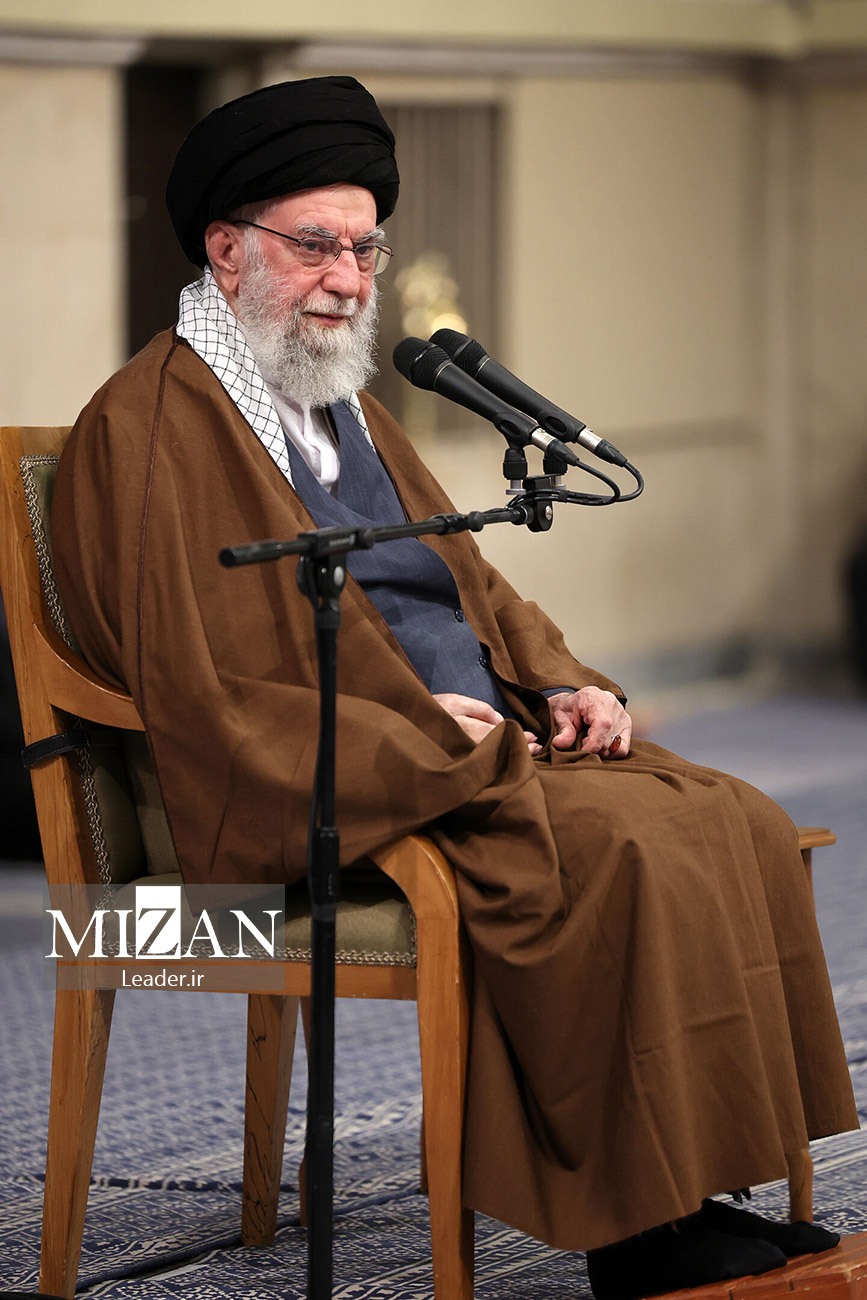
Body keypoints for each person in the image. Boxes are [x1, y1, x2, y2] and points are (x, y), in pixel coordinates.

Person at [52, 76, 858, 1299]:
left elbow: (471, 579)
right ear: (226, 250)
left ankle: (696, 1186)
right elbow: (200, 679)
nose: (348, 278)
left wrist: (563, 684)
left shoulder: (348, 407)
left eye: (364, 247)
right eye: (315, 245)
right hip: (328, 786)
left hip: (473, 747)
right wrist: (414, 732)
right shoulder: (151, 426)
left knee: (727, 814)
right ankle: (635, 1229)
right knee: (617, 852)